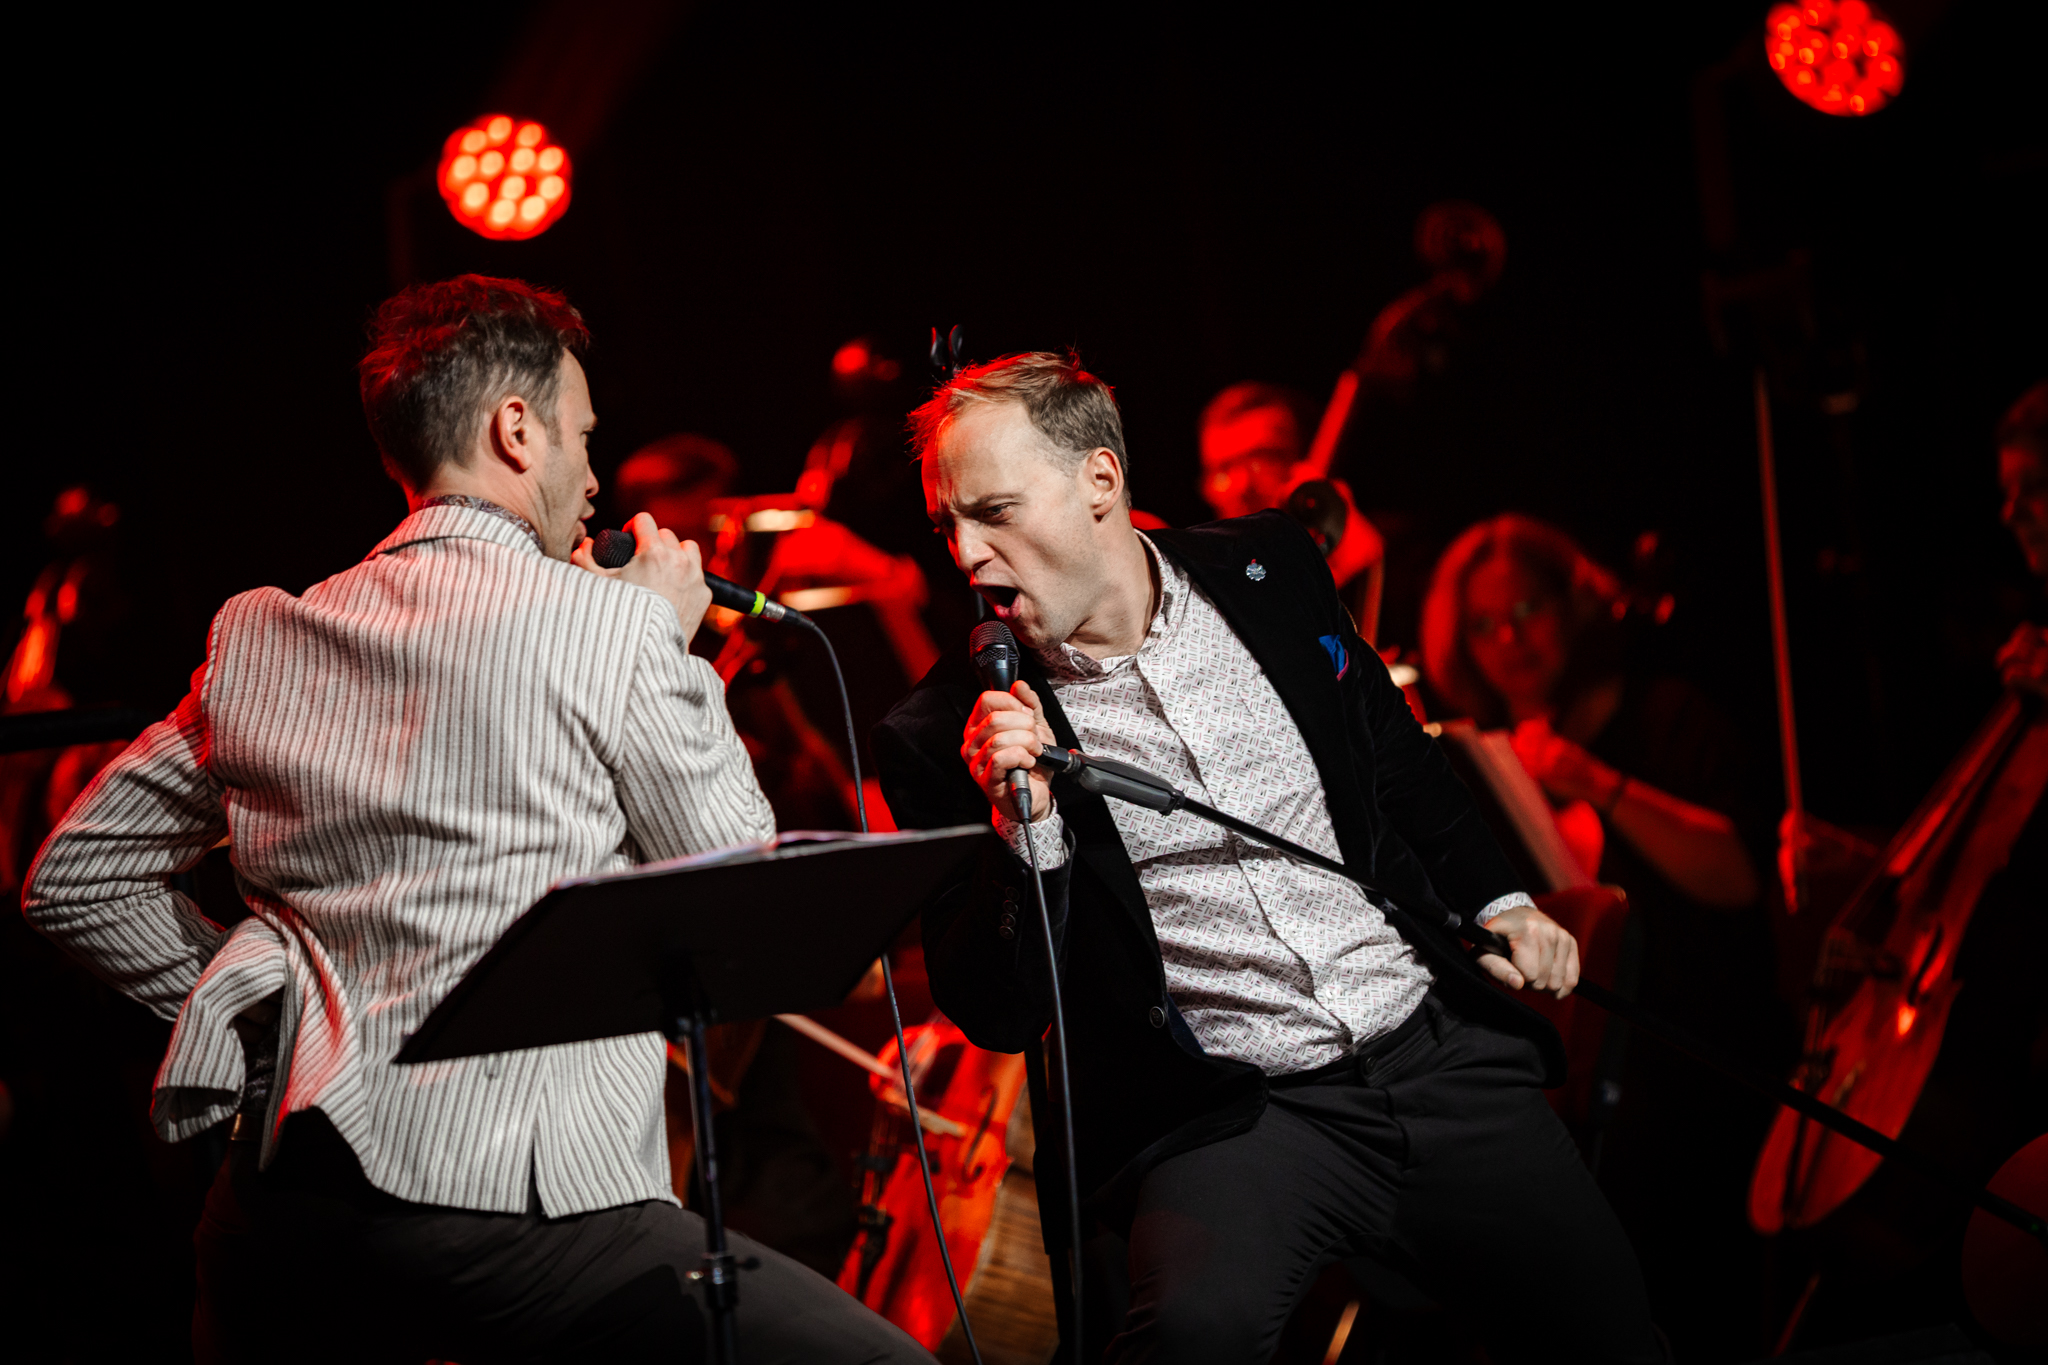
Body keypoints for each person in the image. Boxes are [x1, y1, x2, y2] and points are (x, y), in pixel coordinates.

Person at [20, 275, 930, 1365]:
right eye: (583, 438)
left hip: (280, 1207)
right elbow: (746, 905)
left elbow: (75, 880)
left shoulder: (263, 634)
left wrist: (277, 1029)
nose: (593, 479)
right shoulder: (610, 626)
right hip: (532, 1212)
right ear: (516, 430)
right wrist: (666, 641)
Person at [873, 351, 1664, 1363]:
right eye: (947, 526)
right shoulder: (941, 729)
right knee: (1191, 1332)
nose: (966, 554)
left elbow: (1390, 751)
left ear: (1099, 479)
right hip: (1238, 1114)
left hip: (1420, 1044)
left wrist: (1499, 899)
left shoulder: (1269, 567)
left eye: (994, 512)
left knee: (1613, 1333)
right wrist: (1023, 832)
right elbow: (995, 1009)